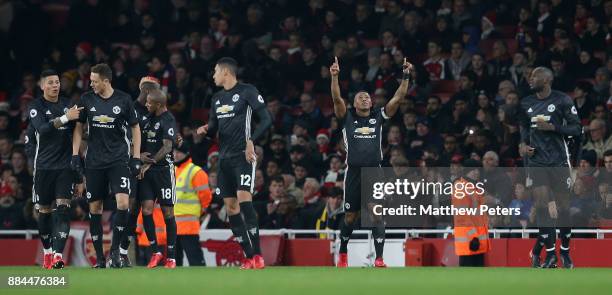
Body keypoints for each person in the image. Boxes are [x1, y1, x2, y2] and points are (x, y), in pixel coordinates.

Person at [330, 56, 412, 267]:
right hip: (353, 173)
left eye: (368, 97)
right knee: (350, 217)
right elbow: (336, 99)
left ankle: (379, 258)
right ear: (354, 103)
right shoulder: (346, 117)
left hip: (374, 172)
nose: (365, 99)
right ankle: (344, 252)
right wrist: (334, 77)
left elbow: (397, 98)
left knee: (376, 214)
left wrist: (405, 75)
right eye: (361, 97)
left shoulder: (378, 117)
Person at [196, 57, 272, 269]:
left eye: (215, 72)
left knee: (244, 199)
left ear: (225, 72)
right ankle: (248, 256)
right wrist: (205, 130)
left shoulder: (248, 91)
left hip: (243, 156)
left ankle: (258, 255)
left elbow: (266, 119)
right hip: (223, 159)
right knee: (230, 207)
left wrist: (251, 141)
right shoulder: (217, 98)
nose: (213, 76)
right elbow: (213, 127)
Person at [72, 63, 143, 268]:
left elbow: (135, 128)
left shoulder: (123, 99)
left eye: (94, 81)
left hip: (119, 160)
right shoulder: (87, 99)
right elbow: (78, 128)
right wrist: (75, 154)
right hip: (94, 161)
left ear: (106, 81)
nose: (91, 84)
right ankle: (100, 260)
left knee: (123, 204)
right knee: (95, 207)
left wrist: (136, 157)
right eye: (90, 81)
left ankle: (114, 253)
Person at [518, 67, 581, 268]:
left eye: (534, 76)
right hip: (537, 162)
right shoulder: (526, 102)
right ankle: (551, 254)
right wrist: (522, 144)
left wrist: (554, 128)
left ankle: (565, 252)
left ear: (546, 79)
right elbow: (524, 128)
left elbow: (577, 129)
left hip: (559, 161)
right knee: (543, 205)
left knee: (563, 208)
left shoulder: (563, 100)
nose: (530, 79)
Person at [28, 69, 84, 269]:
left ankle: (58, 255)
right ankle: (48, 252)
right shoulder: (36, 106)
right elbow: (42, 129)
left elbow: (78, 129)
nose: (55, 85)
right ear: (42, 86)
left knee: (63, 209)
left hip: (64, 167)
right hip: (43, 167)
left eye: (57, 82)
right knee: (44, 211)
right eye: (50, 82)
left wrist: (77, 163)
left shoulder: (68, 104)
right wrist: (65, 118)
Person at [119, 76, 160, 267]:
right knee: (128, 209)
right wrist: (136, 154)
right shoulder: (129, 109)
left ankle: (123, 253)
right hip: (128, 167)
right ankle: (117, 252)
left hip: (148, 169)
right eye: (154, 91)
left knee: (136, 212)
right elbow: (117, 140)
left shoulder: (154, 110)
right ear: (146, 90)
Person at [138, 89, 178, 269]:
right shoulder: (146, 119)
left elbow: (168, 146)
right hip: (147, 172)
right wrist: (138, 155)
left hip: (163, 172)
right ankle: (156, 251)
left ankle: (171, 256)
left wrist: (151, 162)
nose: (146, 105)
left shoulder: (168, 119)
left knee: (167, 212)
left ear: (159, 105)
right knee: (146, 210)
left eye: (149, 102)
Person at [173, 143, 212, 266]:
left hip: (188, 225)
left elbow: (206, 197)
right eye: (174, 152)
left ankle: (201, 282)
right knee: (174, 261)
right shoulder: (172, 170)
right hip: (172, 224)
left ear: (186, 154)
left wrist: (200, 212)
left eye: (179, 152)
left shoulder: (196, 172)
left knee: (195, 259)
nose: (176, 154)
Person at [452, 159, 490, 267]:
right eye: (473, 170)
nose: (476, 172)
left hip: (477, 240)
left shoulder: (475, 188)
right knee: (468, 276)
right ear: (467, 171)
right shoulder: (461, 187)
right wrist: (473, 236)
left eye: (478, 169)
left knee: (477, 277)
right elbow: (462, 216)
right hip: (469, 240)